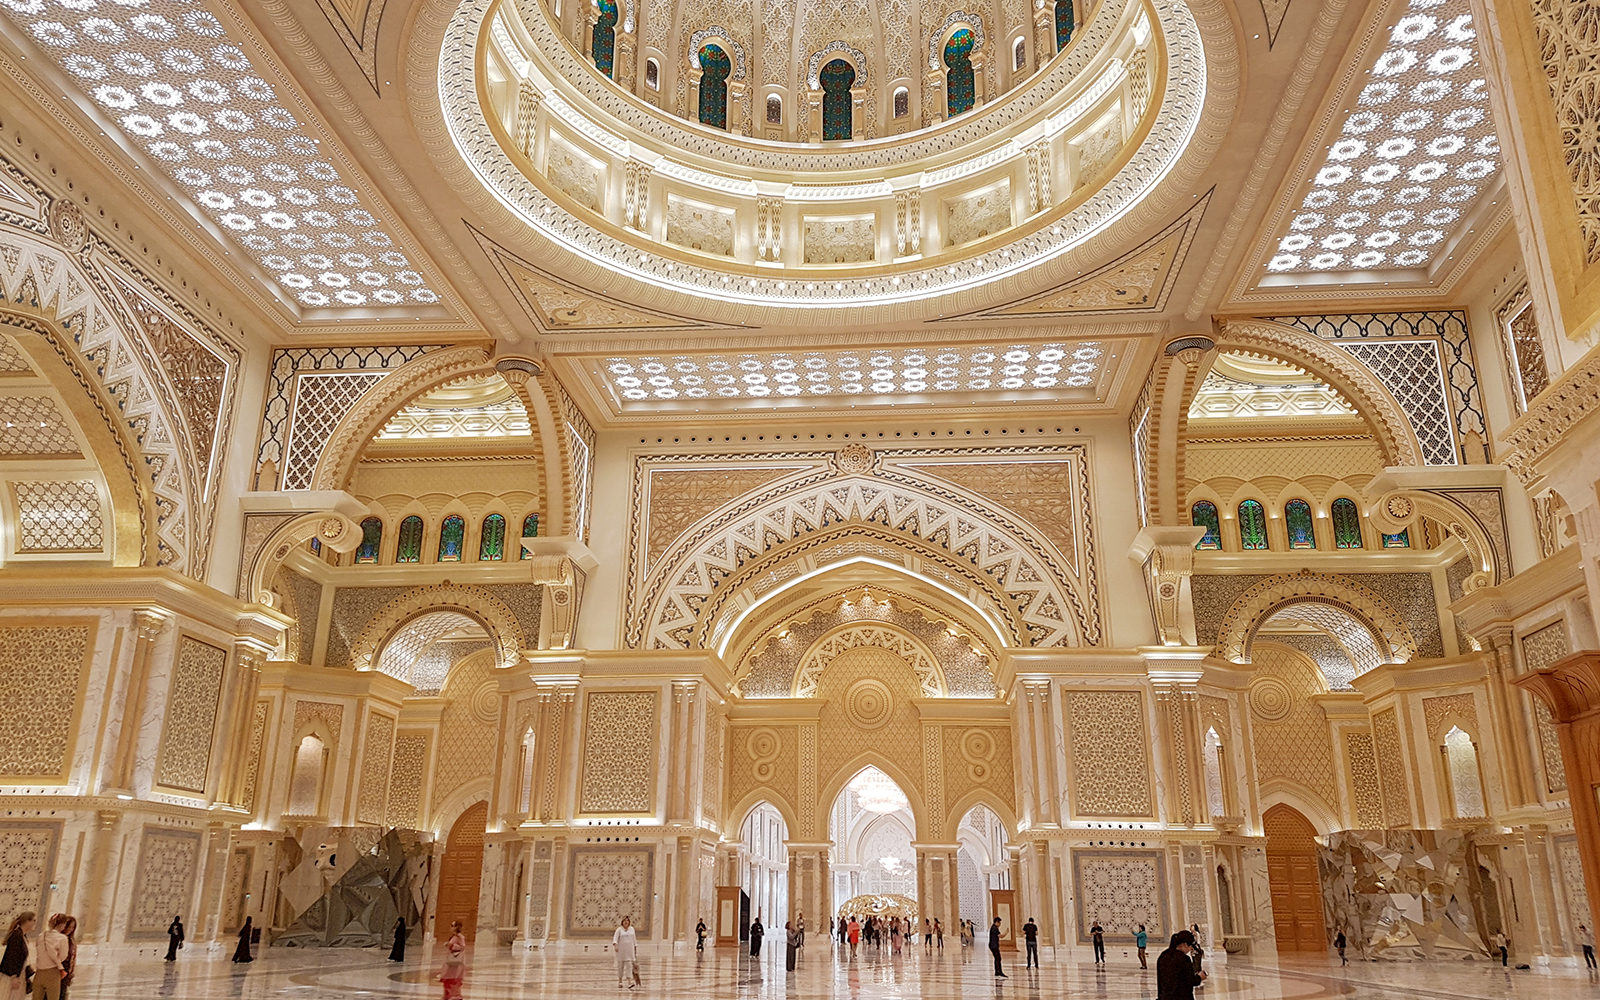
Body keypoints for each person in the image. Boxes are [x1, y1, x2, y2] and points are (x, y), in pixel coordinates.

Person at [1156, 931, 1206, 1000]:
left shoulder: (1163, 956)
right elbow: (1191, 980)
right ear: (1185, 945)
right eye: (1190, 946)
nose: (1191, 948)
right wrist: (1200, 977)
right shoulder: (1183, 959)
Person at [33, 914, 68, 1000]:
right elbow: (63, 956)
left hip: (39, 971)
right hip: (52, 971)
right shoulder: (62, 938)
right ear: (62, 924)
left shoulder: (41, 936)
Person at [1, 913, 33, 1000]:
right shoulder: (17, 935)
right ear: (27, 921)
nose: (34, 923)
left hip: (20, 974)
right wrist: (14, 976)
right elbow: (12, 956)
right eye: (33, 921)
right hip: (12, 975)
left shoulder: (22, 935)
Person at [439, 921, 467, 1000]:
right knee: (448, 976)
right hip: (451, 959)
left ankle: (455, 995)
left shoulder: (460, 937)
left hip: (456, 961)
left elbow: (462, 947)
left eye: (452, 925)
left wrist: (451, 945)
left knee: (454, 977)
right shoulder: (454, 936)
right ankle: (448, 995)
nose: (451, 927)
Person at [614, 915, 639, 988]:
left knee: (629, 966)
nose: (626, 922)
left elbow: (634, 940)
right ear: (622, 922)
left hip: (629, 951)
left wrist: (635, 949)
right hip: (621, 952)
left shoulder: (632, 929)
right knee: (620, 966)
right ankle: (620, 981)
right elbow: (615, 939)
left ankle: (629, 981)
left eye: (627, 921)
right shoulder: (619, 930)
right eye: (624, 921)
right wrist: (616, 946)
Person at [56, 918, 75, 1000]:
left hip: (66, 970)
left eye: (72, 927)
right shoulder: (58, 939)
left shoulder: (71, 941)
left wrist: (71, 972)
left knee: (62, 994)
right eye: (69, 927)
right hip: (57, 968)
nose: (70, 929)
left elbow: (72, 957)